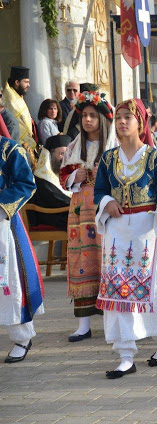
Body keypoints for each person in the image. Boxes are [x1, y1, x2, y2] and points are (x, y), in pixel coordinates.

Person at [93, 98, 157, 379]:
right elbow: (100, 191)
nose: (121, 122)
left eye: (128, 117)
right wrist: (106, 202)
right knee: (119, 293)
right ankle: (126, 354)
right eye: (118, 117)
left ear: (140, 123)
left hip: (147, 231)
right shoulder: (108, 158)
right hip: (117, 233)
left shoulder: (156, 159)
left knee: (155, 288)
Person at [59, 91, 118, 340]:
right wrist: (75, 177)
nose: (88, 120)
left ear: (103, 120)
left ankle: (112, 322)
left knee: (107, 259)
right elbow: (63, 176)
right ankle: (83, 324)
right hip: (80, 210)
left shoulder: (113, 146)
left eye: (94, 115)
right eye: (85, 116)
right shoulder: (74, 146)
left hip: (103, 208)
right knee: (81, 261)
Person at [0, 136, 44, 363]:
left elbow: (26, 183)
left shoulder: (9, 149)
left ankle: (22, 338)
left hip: (3, 223)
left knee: (9, 283)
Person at [27, 134, 72, 231]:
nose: (65, 159)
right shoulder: (43, 176)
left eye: (67, 154)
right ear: (50, 155)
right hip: (48, 215)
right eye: (61, 154)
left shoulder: (57, 172)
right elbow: (56, 199)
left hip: (58, 211)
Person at [3, 66, 36, 165]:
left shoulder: (16, 95)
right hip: (19, 147)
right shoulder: (10, 100)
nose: (28, 85)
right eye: (26, 82)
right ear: (17, 82)